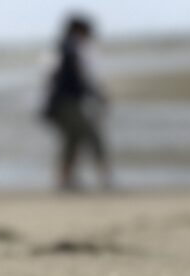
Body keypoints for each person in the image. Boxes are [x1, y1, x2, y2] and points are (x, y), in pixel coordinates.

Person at [41, 15, 111, 191]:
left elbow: (50, 77)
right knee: (90, 135)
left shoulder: (61, 48)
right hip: (66, 102)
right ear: (79, 30)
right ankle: (104, 178)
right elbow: (77, 78)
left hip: (61, 102)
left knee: (72, 140)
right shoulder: (70, 49)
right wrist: (96, 94)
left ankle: (65, 180)